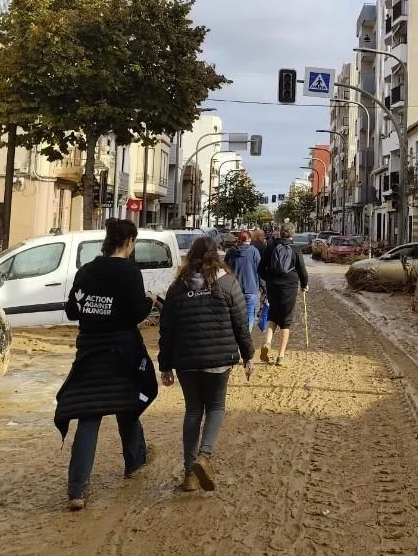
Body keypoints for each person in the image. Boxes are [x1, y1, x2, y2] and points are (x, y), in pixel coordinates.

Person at [55, 218, 158, 512]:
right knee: (128, 405)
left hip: (89, 351)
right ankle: (134, 463)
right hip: (123, 352)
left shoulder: (86, 271)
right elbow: (136, 313)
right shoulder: (130, 272)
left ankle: (77, 491)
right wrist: (149, 302)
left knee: (89, 414)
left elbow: (73, 311)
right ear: (128, 243)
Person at [159, 237, 254, 492]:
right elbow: (240, 324)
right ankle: (205, 455)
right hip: (219, 360)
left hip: (186, 360)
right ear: (216, 255)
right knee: (215, 407)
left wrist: (164, 365)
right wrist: (248, 356)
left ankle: (190, 475)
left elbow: (167, 329)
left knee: (192, 411)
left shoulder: (177, 287)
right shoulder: (227, 283)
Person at [258, 222, 308, 364]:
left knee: (273, 314)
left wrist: (269, 280)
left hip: (273, 286)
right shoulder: (296, 249)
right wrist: (304, 285)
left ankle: (267, 342)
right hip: (290, 287)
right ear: (292, 234)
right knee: (286, 321)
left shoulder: (271, 247)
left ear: (280, 233)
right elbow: (303, 272)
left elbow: (260, 269)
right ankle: (281, 356)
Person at [224, 231, 262, 330]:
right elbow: (260, 270)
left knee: (234, 315)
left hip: (234, 290)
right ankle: (246, 338)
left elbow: (224, 269)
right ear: (249, 239)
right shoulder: (254, 251)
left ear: (238, 239)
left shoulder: (231, 252)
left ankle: (236, 339)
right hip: (250, 288)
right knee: (249, 314)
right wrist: (264, 288)